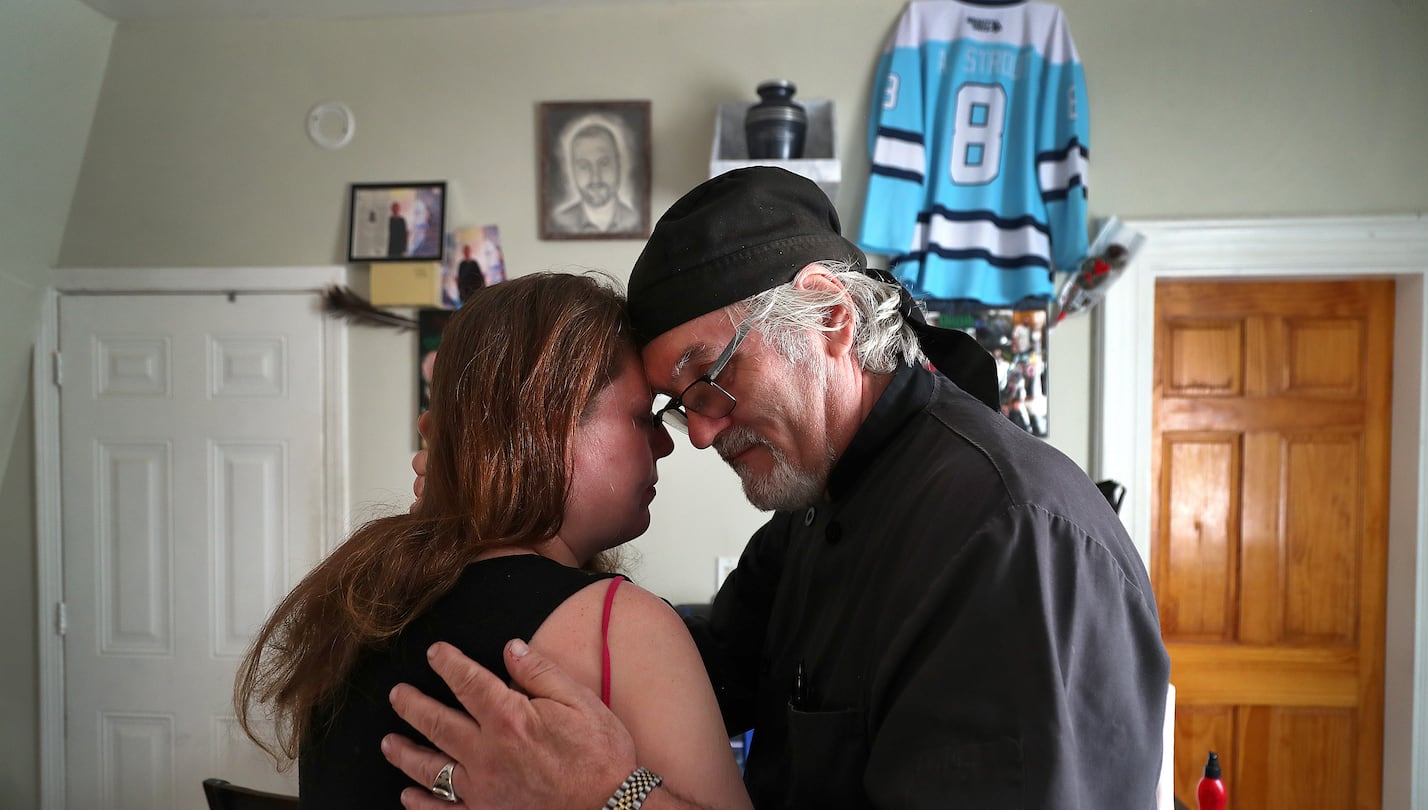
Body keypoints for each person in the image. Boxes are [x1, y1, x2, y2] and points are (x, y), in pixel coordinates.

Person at [384, 167, 1170, 809]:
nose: (696, 431)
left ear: (829, 314)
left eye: (707, 379)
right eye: (677, 403)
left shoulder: (1007, 536)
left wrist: (610, 799)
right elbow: (694, 674)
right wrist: (486, 523)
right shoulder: (812, 515)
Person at [233, 273, 751, 810]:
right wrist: (619, 798)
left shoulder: (359, 606)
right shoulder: (621, 627)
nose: (668, 443)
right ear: (551, 420)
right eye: (644, 417)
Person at [552, 123, 642, 234]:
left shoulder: (634, 219)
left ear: (618, 164)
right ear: (572, 169)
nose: (595, 177)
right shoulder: (559, 221)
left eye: (604, 163)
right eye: (584, 166)